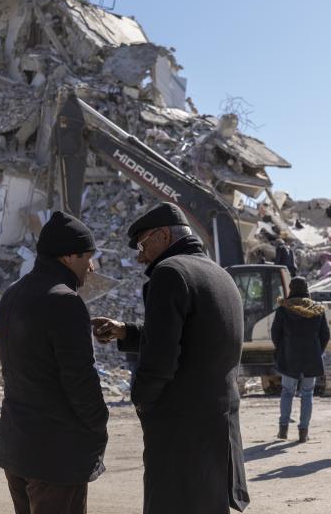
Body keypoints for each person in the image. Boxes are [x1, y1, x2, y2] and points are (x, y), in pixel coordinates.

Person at [92, 203, 249, 513]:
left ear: (162, 235)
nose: (139, 256)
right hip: (217, 421)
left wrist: (143, 401)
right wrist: (127, 332)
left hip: (181, 426)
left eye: (142, 245)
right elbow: (195, 338)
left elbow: (162, 357)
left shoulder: (170, 273)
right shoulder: (218, 273)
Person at [0, 211, 108, 514]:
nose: (91, 265)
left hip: (17, 447)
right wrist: (100, 423)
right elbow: (80, 379)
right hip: (55, 454)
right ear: (68, 257)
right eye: (88, 256)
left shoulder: (12, 294)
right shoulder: (65, 301)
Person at [272, 276, 330, 442]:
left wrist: (282, 349)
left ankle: (283, 429)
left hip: (290, 355)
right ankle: (303, 432)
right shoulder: (317, 309)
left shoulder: (284, 309)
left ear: (291, 288)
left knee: (287, 391)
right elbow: (325, 334)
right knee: (307, 393)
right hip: (311, 356)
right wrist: (318, 351)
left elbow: (275, 333)